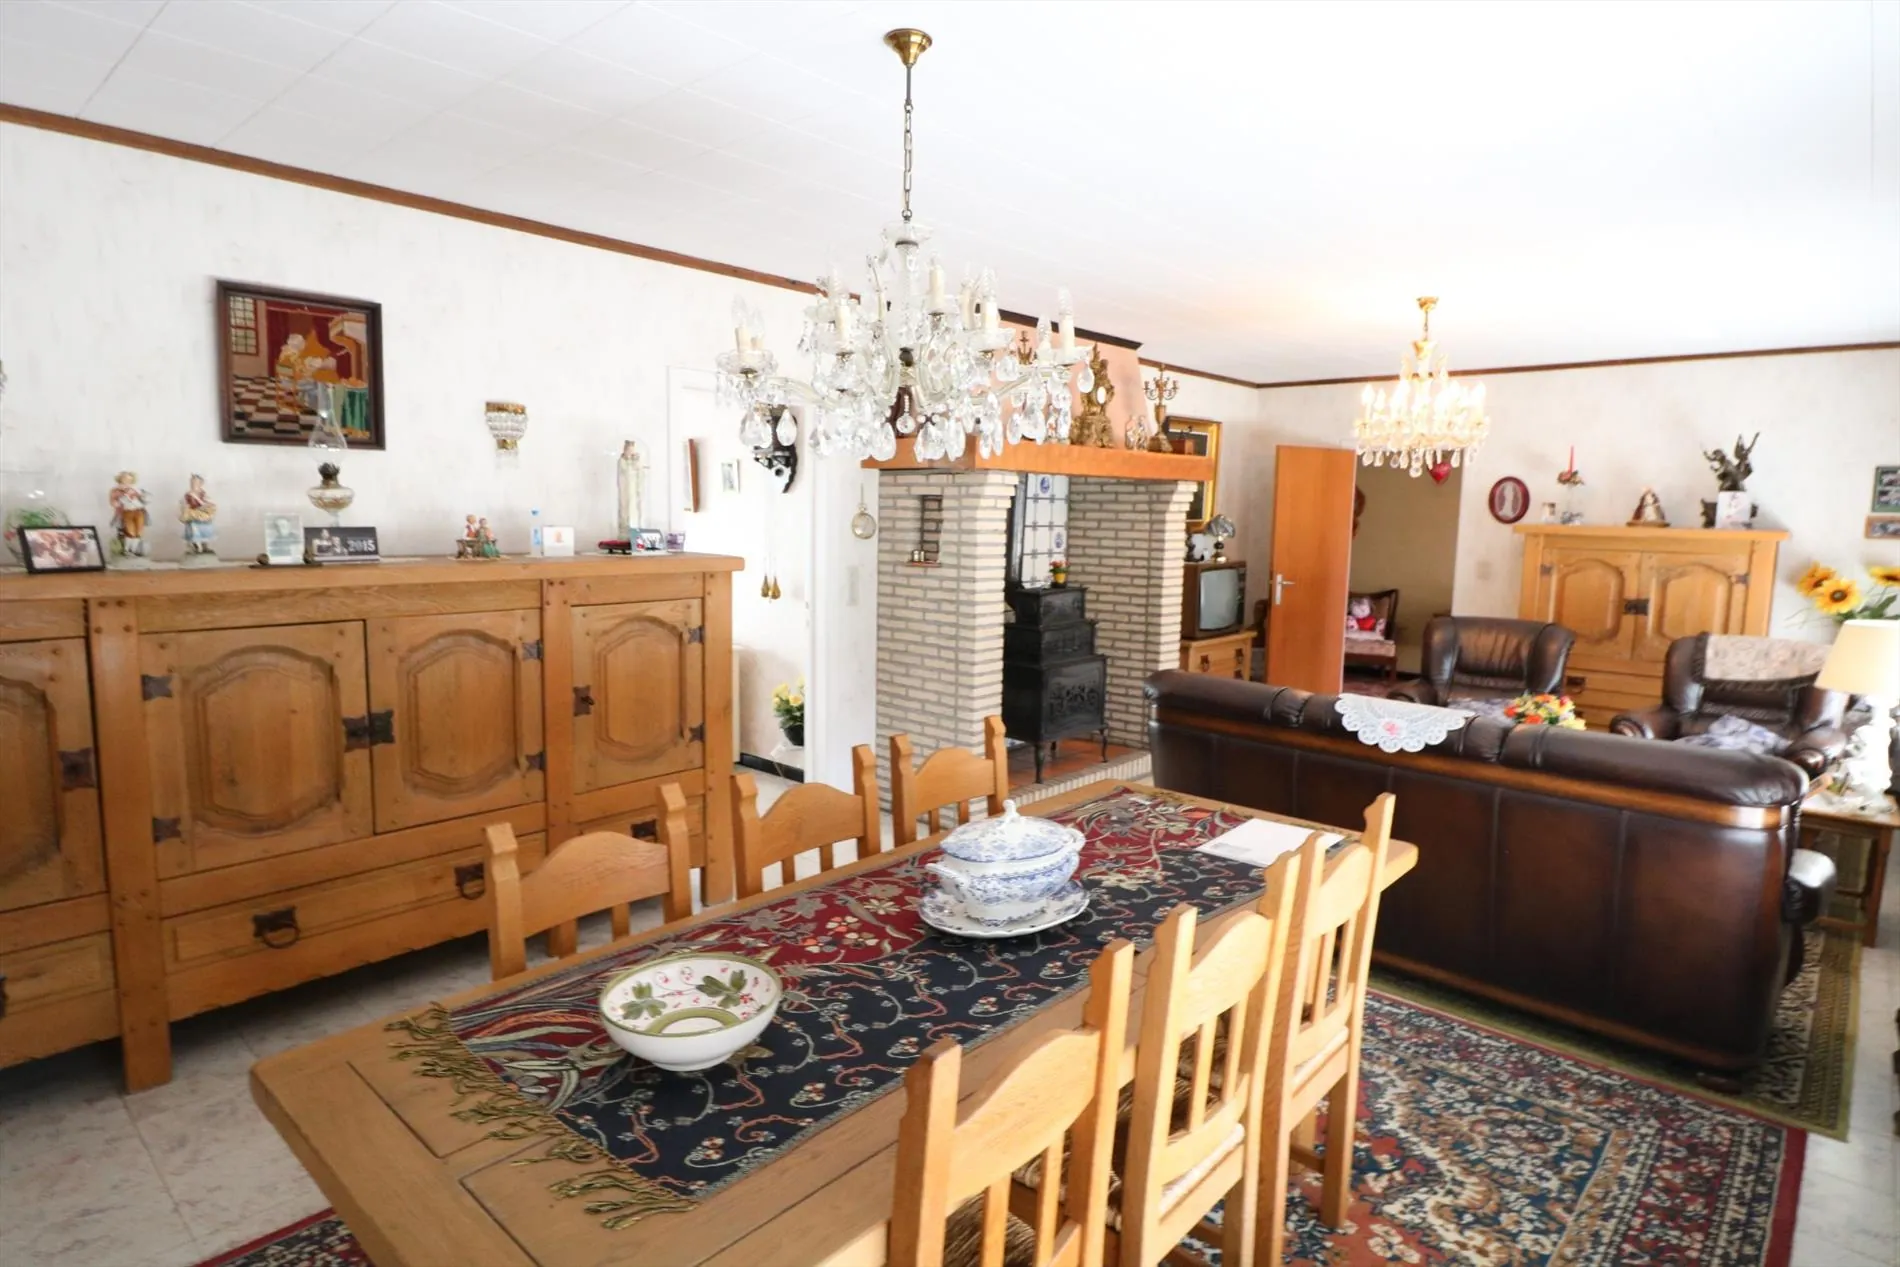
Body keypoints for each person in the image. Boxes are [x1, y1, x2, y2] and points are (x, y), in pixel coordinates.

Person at [109, 471, 148, 558]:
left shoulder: (135, 489)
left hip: (139, 511)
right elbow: (114, 502)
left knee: (139, 532)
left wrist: (140, 495)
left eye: (129, 480)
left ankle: (133, 550)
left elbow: (144, 498)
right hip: (127, 512)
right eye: (125, 479)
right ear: (120, 480)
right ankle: (127, 550)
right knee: (130, 532)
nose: (127, 482)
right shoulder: (116, 490)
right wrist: (122, 500)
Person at [179, 475, 217, 555]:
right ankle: (196, 546)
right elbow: (189, 503)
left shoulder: (202, 492)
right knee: (194, 530)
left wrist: (208, 503)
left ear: (200, 483)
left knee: (205, 529)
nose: (193, 484)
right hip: (193, 514)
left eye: (196, 482)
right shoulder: (189, 494)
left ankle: (204, 545)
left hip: (202, 514)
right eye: (192, 482)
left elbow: (206, 500)